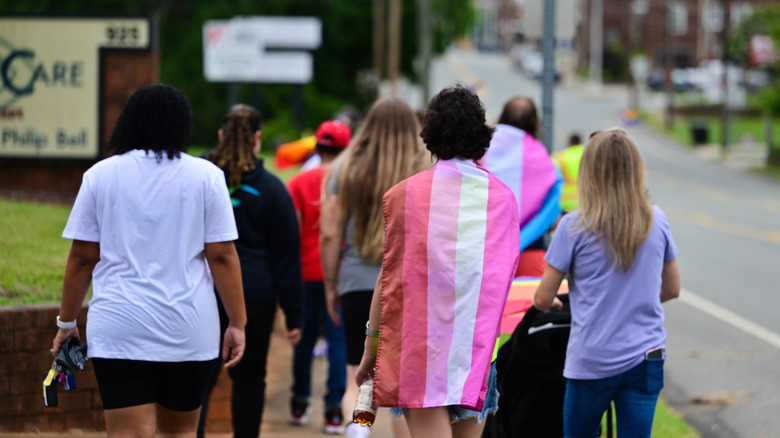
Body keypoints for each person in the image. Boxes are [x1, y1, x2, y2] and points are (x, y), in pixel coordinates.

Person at [52, 84, 247, 438]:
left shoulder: (101, 175)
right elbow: (221, 255)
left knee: (128, 433)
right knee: (181, 432)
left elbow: (82, 258)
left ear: (129, 122)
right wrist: (238, 322)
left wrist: (67, 322)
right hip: (188, 327)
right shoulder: (206, 176)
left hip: (119, 327)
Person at [354, 85, 520, 438]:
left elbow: (390, 280)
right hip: (475, 352)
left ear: (431, 134)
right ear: (480, 134)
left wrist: (372, 347)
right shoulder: (503, 200)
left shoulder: (403, 197)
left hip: (419, 352)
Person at [533, 128, 681, 438]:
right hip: (647, 355)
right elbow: (671, 289)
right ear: (636, 169)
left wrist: (556, 302)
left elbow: (542, 298)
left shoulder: (573, 226)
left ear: (589, 171)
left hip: (592, 358)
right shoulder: (657, 219)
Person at [321, 96, 429, 438]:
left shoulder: (346, 165)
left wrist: (329, 284)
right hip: (406, 287)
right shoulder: (424, 164)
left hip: (355, 280)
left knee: (357, 372)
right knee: (402, 385)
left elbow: (329, 231)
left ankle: (358, 431)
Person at [199, 104, 304, 438]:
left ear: (220, 135)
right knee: (249, 378)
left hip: (202, 291)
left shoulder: (199, 179)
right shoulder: (273, 189)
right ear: (258, 139)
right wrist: (295, 315)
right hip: (254, 297)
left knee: (198, 376)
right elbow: (286, 258)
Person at [287, 120, 352, 433]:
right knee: (339, 339)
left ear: (317, 147)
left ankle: (299, 401)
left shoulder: (299, 182)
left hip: (305, 269)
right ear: (346, 149)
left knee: (305, 337)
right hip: (339, 270)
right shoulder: (350, 181)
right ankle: (334, 409)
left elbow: (293, 231)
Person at [481, 96, 562, 277]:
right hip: (531, 254)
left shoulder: (481, 149)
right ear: (535, 123)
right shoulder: (542, 157)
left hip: (485, 255)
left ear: (502, 117)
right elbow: (553, 207)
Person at [553, 132, 585, 213]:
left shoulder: (561, 156)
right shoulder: (587, 154)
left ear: (569, 143)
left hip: (564, 204)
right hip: (585, 201)